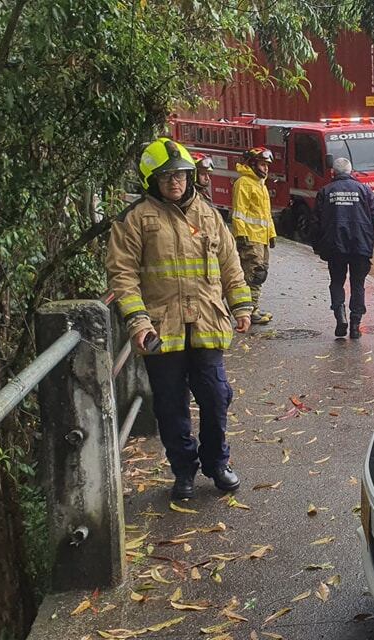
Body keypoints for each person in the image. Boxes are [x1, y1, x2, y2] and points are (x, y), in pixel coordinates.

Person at [107, 138, 255, 500]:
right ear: (151, 180)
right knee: (171, 407)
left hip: (206, 325)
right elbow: (122, 275)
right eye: (166, 176)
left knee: (216, 397)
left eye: (181, 175)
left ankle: (217, 464)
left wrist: (241, 306)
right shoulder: (135, 220)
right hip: (162, 330)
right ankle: (184, 471)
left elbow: (230, 266)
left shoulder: (208, 214)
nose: (175, 182)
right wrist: (139, 322)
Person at [315, 156, 374, 339]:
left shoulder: (325, 191)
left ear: (333, 173)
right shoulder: (364, 190)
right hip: (360, 245)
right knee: (358, 285)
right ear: (351, 172)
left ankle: (340, 317)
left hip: (334, 246)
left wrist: (317, 245)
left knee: (337, 282)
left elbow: (315, 222)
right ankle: (355, 326)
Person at [231, 147, 277, 324]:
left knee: (260, 274)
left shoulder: (260, 185)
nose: (265, 168)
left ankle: (253, 307)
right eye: (262, 164)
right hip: (250, 238)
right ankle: (249, 311)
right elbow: (239, 211)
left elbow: (265, 215)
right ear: (251, 164)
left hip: (262, 238)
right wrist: (241, 234)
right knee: (254, 274)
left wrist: (271, 234)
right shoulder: (244, 183)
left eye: (267, 165)